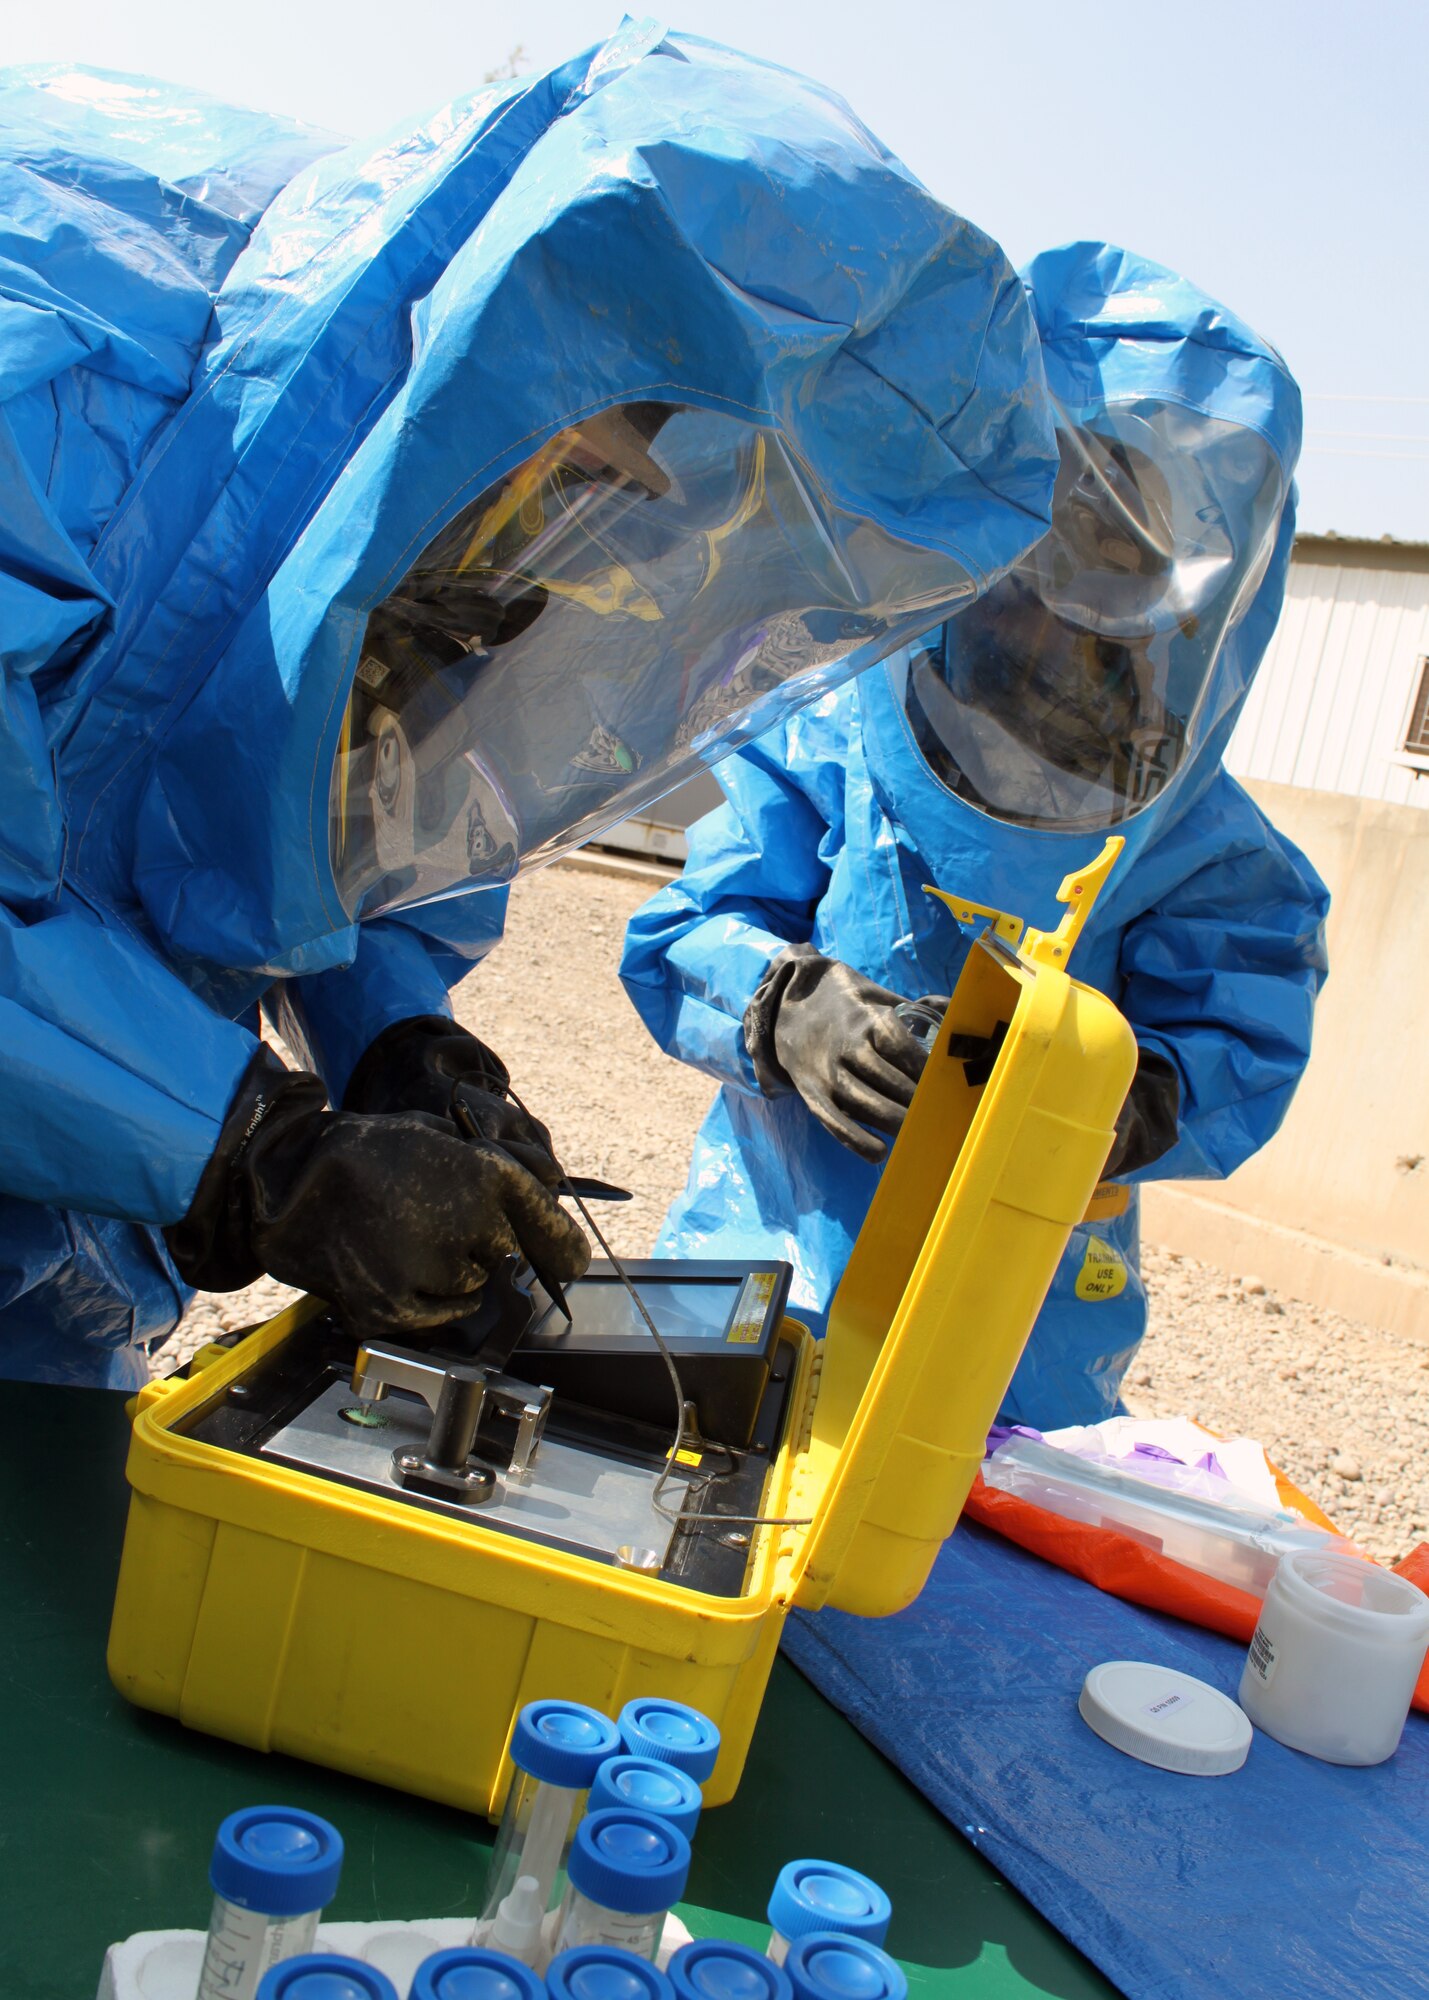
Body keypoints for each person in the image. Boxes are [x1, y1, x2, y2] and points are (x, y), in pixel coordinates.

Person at [0, 32, 1059, 1384]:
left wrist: (400, 1043)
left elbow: (296, 818)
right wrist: (255, 1154)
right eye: (590, 457)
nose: (582, 535)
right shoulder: (57, 371)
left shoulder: (432, 497)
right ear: (512, 334)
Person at [621, 241, 1331, 1429]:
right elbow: (692, 921)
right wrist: (785, 1005)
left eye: (1114, 559)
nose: (1068, 602)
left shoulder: (1192, 837)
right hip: (763, 1280)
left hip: (1018, 1350)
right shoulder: (839, 722)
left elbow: (1239, 1025)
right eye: (1052, 540)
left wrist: (1139, 1093)